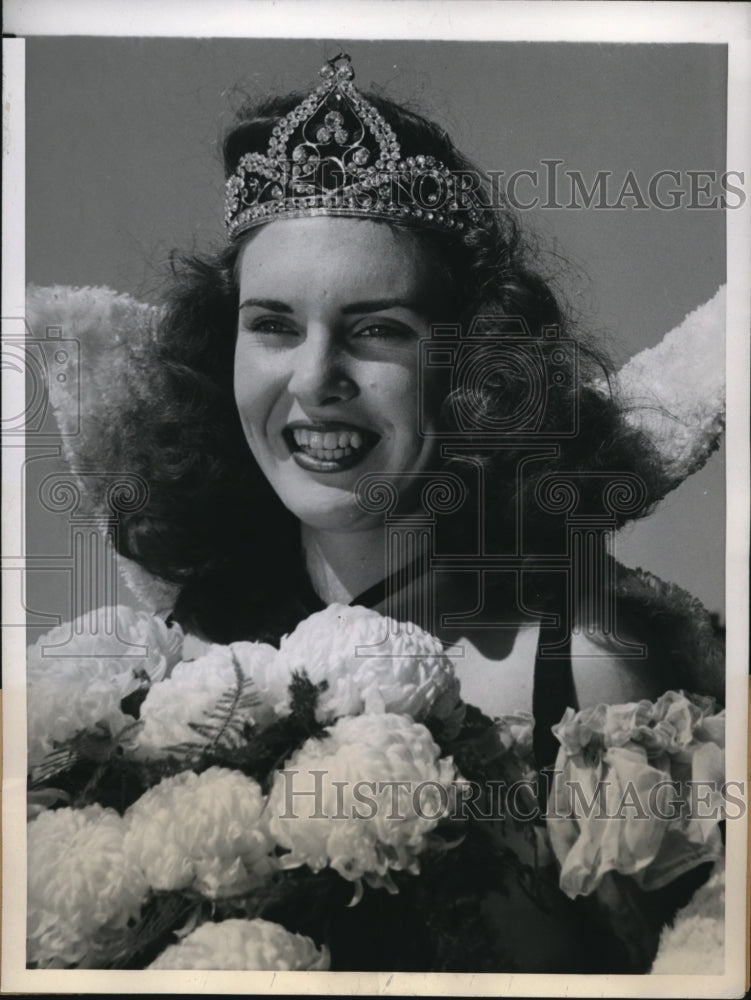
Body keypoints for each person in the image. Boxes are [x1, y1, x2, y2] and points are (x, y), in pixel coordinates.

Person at [36, 52, 724, 972]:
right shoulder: (169, 663)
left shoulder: (581, 681)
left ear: (474, 365)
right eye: (273, 325)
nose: (315, 381)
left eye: (376, 330)